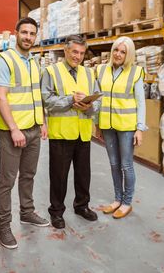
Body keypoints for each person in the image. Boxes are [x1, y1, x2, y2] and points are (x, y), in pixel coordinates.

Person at [0, 17, 49, 250]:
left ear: (36, 36)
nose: (27, 37)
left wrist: (42, 121)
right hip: (13, 132)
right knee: (7, 180)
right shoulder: (4, 60)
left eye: (32, 33)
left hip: (34, 129)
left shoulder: (34, 62)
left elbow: (36, 95)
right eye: (24, 32)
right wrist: (14, 129)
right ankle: (3, 226)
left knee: (28, 175)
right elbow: (0, 97)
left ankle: (27, 212)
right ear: (15, 33)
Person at [41, 35, 100, 229]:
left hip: (83, 133)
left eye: (82, 53)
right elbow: (47, 101)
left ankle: (82, 206)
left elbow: (98, 101)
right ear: (65, 51)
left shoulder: (89, 73)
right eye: (74, 52)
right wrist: (69, 100)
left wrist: (88, 107)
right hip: (61, 134)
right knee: (59, 175)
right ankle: (56, 212)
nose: (78, 57)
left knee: (84, 174)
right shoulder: (51, 71)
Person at [95, 36, 147, 219]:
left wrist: (140, 128)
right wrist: (97, 123)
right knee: (113, 163)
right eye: (116, 50)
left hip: (126, 127)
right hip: (107, 125)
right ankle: (117, 199)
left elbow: (141, 102)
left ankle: (127, 202)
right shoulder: (101, 70)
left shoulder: (136, 72)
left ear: (129, 54)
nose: (118, 54)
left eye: (123, 51)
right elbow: (98, 98)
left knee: (126, 165)